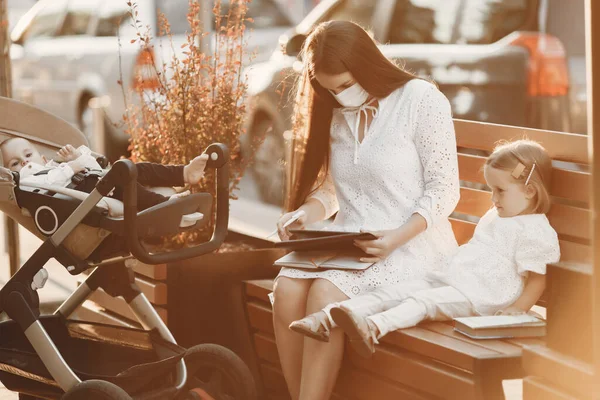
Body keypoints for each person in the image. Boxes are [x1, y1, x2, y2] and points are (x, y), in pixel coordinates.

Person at [272, 21, 460, 400]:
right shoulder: (339, 113)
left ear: (366, 64)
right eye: (330, 90)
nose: (340, 96)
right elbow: (333, 190)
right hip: (353, 244)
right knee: (288, 289)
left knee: (324, 295)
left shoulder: (421, 100)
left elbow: (445, 189)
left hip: (412, 245)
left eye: (344, 84)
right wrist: (306, 214)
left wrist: (395, 238)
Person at [293, 139, 560, 358]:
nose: (493, 198)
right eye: (491, 190)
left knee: (422, 303)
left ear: (530, 191)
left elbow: (538, 279)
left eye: (500, 191)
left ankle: (373, 327)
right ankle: (324, 318)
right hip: (453, 279)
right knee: (394, 292)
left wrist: (518, 309)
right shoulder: (498, 214)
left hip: (481, 297)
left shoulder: (536, 231)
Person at [0, 138, 208, 211]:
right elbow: (45, 183)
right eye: (15, 163)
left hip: (100, 178)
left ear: (44, 159)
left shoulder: (54, 166)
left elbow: (94, 167)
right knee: (127, 188)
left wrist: (77, 157)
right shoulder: (29, 182)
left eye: (28, 155)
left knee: (138, 168)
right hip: (89, 192)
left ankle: (184, 173)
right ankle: (163, 203)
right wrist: (71, 167)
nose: (25, 162)